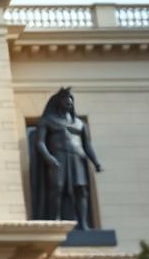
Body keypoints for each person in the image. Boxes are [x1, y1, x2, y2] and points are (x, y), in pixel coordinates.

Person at [29, 86, 103, 229]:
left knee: (81, 190)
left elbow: (87, 145)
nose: (69, 102)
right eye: (66, 99)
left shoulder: (80, 123)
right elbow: (39, 143)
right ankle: (55, 220)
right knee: (57, 187)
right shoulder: (48, 120)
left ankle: (83, 224)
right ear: (58, 101)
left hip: (77, 159)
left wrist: (96, 162)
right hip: (59, 158)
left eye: (71, 100)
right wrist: (49, 158)